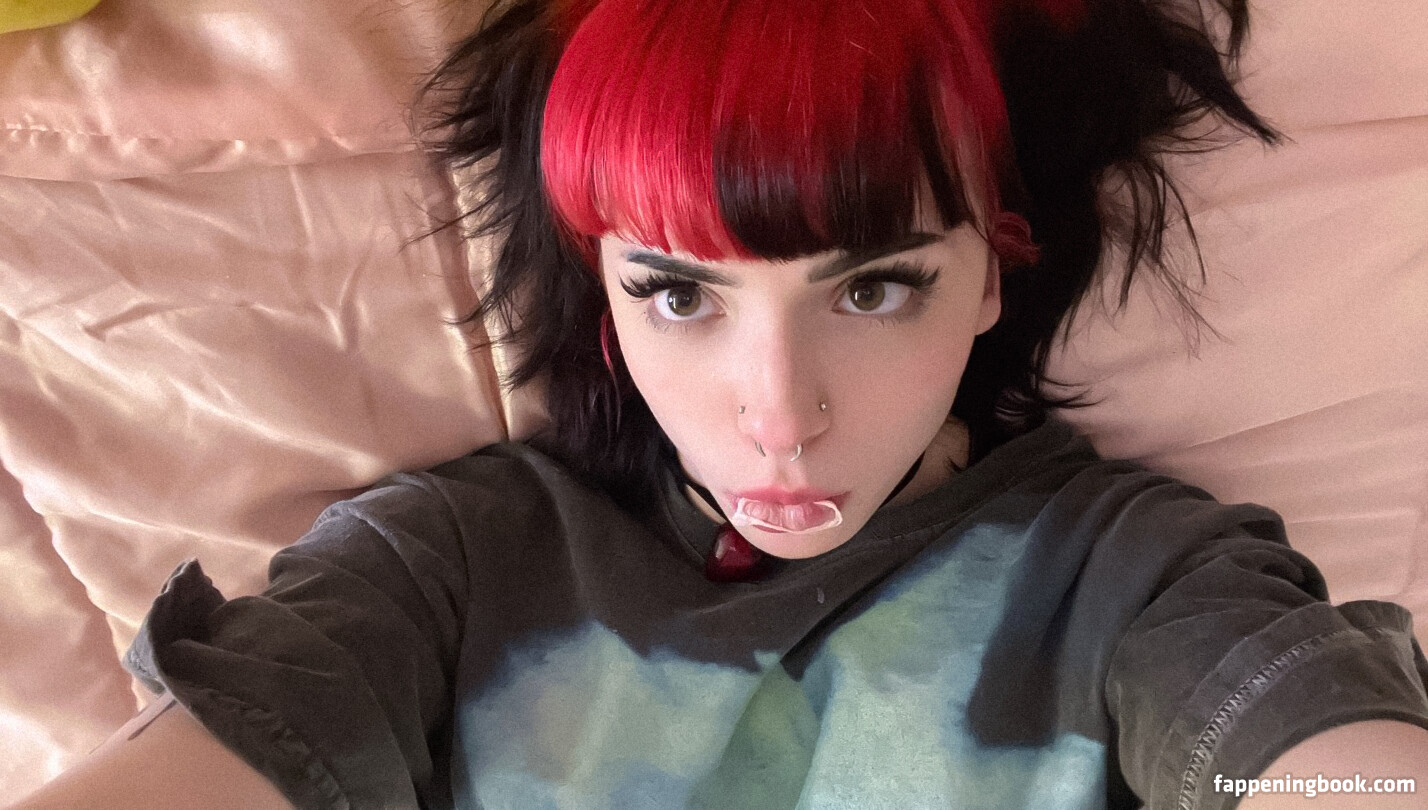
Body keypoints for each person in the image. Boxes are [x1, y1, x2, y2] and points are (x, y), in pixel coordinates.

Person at [10, 0, 1428, 808]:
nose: (780, 415)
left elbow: (1329, 770)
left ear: (993, 272)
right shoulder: (450, 568)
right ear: (606, 297)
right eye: (681, 294)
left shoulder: (1132, 580)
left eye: (875, 287)